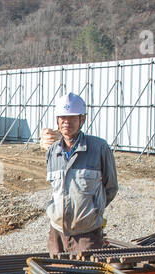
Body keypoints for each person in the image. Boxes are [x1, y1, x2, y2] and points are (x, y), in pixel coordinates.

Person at [44, 93, 119, 256]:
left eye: (72, 118)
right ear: (57, 120)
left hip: (87, 235)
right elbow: (54, 191)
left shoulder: (99, 148)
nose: (66, 122)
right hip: (56, 233)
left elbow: (111, 188)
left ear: (82, 119)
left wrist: (92, 211)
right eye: (62, 118)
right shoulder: (52, 153)